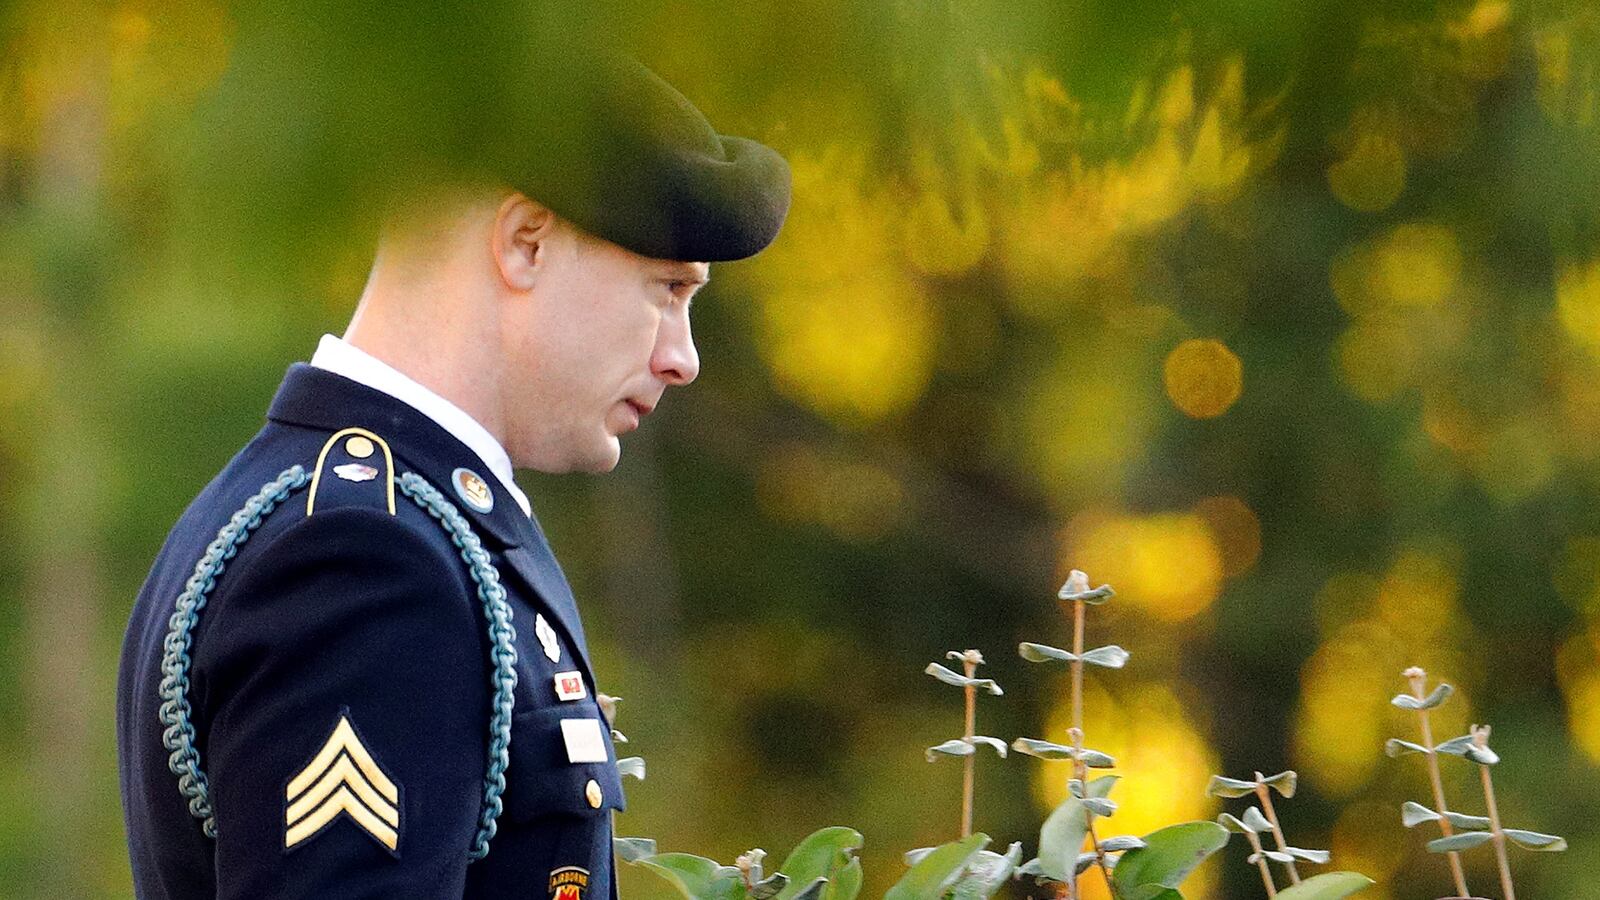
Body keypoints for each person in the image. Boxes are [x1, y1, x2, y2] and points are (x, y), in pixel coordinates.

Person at [114, 43, 790, 900]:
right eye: (666, 289)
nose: (682, 357)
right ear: (526, 244)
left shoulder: (320, 512)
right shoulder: (363, 559)